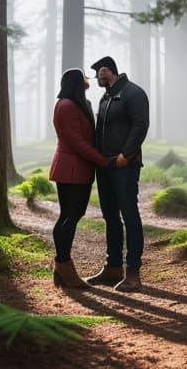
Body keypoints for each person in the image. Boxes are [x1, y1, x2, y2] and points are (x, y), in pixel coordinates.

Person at [86, 56, 149, 292]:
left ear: (111, 70)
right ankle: (113, 268)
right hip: (105, 166)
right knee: (110, 216)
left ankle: (133, 273)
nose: (99, 76)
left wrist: (126, 155)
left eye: (101, 71)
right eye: (96, 73)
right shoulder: (106, 97)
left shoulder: (133, 93)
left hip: (125, 165)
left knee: (129, 215)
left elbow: (140, 126)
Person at [49, 68, 112, 288]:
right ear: (76, 82)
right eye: (84, 77)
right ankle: (64, 265)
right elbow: (77, 142)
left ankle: (61, 267)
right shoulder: (66, 105)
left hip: (79, 168)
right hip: (71, 168)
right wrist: (103, 160)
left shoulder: (78, 103)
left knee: (70, 215)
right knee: (70, 216)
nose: (88, 80)